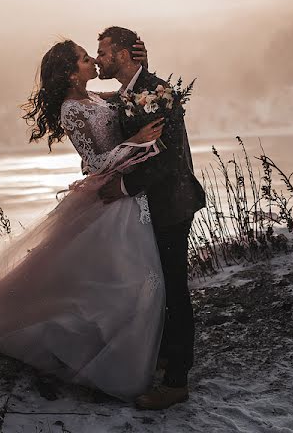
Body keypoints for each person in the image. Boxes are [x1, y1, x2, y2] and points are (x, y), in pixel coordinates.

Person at [0, 39, 167, 401]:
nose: (92, 60)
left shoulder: (97, 99)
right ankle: (102, 357)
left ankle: (141, 353)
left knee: (129, 281)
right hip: (108, 198)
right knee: (123, 282)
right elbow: (95, 164)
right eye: (83, 58)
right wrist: (137, 142)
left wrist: (140, 63)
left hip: (127, 195)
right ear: (69, 71)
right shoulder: (71, 111)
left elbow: (129, 94)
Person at [96, 26, 206, 410]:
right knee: (157, 286)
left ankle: (177, 380)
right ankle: (163, 356)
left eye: (104, 52)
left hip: (171, 205)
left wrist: (123, 187)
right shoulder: (131, 93)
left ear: (125, 54)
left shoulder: (155, 92)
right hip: (151, 206)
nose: (98, 59)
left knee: (174, 289)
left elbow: (168, 155)